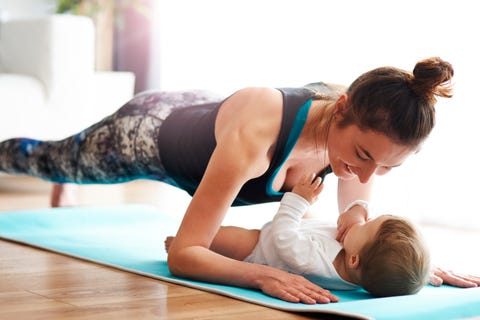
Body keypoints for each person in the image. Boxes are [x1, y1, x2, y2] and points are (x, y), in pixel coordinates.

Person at [1, 57, 479, 304]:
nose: (367, 175)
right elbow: (184, 252)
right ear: (341, 113)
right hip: (149, 132)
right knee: (49, 161)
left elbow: (354, 214)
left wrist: (405, 266)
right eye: (363, 157)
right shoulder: (256, 139)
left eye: (387, 168)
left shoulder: (357, 128)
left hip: (205, 108)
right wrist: (265, 275)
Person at [165, 173, 431, 297]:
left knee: (217, 237)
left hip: (259, 248)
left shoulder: (312, 262)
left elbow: (283, 236)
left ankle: (181, 244)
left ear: (353, 260)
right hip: (298, 235)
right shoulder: (357, 265)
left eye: (366, 225)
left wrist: (297, 202)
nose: (363, 221)